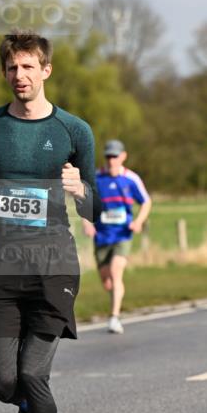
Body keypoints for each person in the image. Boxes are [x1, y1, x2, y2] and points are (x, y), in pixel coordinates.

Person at [0, 32, 99, 413]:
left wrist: (81, 190)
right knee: (4, 382)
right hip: (3, 268)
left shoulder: (74, 130)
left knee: (33, 375)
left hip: (54, 266)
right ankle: (35, 410)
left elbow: (96, 208)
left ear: (46, 70)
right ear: (3, 71)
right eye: (12, 67)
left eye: (29, 66)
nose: (20, 74)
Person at [81, 140, 151, 334]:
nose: (111, 160)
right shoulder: (95, 178)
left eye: (115, 156)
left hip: (122, 234)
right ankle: (115, 299)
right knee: (107, 281)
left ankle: (114, 317)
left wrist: (138, 222)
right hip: (102, 235)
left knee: (115, 270)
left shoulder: (131, 179)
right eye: (108, 156)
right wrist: (86, 223)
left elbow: (146, 202)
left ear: (123, 156)